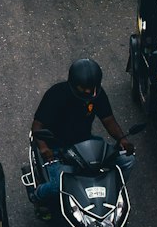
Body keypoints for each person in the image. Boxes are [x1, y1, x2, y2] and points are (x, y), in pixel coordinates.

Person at [31, 60, 135, 209]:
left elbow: (109, 120)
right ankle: (37, 195)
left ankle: (113, 193)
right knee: (57, 187)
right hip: (58, 149)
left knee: (127, 160)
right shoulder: (56, 95)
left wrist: (122, 139)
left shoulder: (97, 94)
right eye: (85, 88)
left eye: (92, 88)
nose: (89, 92)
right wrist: (43, 148)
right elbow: (37, 126)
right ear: (73, 83)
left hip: (86, 146)